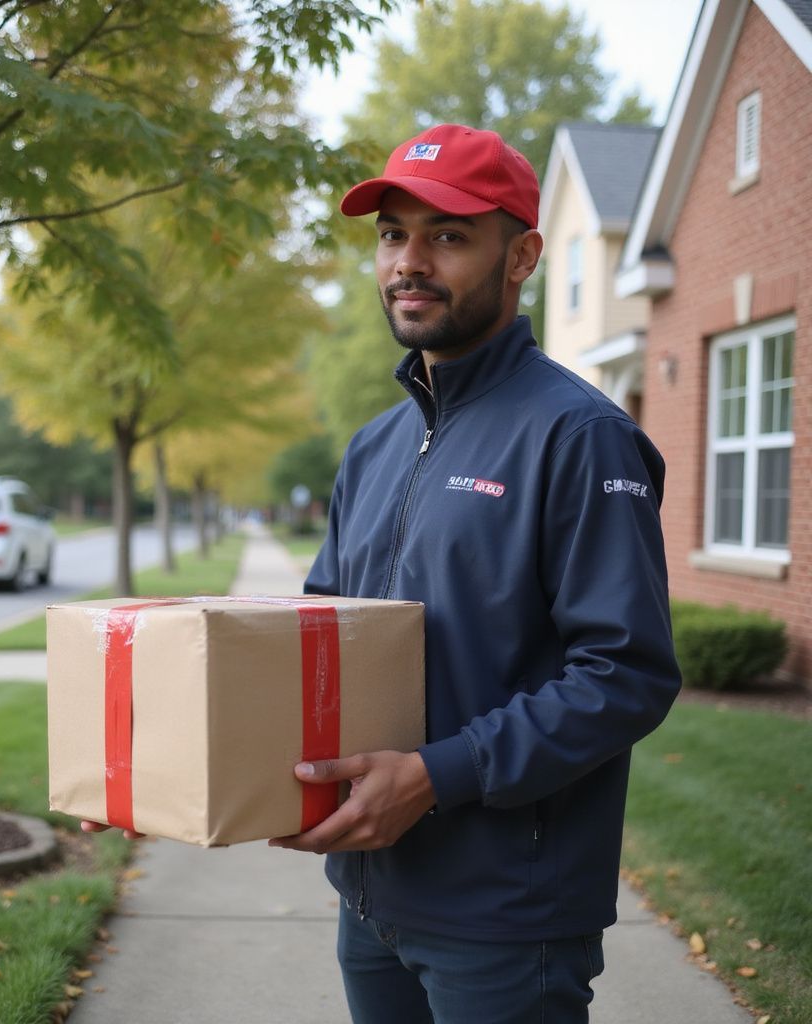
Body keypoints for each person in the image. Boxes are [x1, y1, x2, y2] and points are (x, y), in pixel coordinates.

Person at [266, 123, 682, 1023]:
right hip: (369, 897)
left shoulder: (579, 435)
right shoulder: (374, 446)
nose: (408, 261)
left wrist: (433, 776)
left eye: (447, 235)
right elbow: (322, 639)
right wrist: (207, 770)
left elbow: (626, 675)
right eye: (392, 234)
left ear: (523, 255)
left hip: (504, 915)